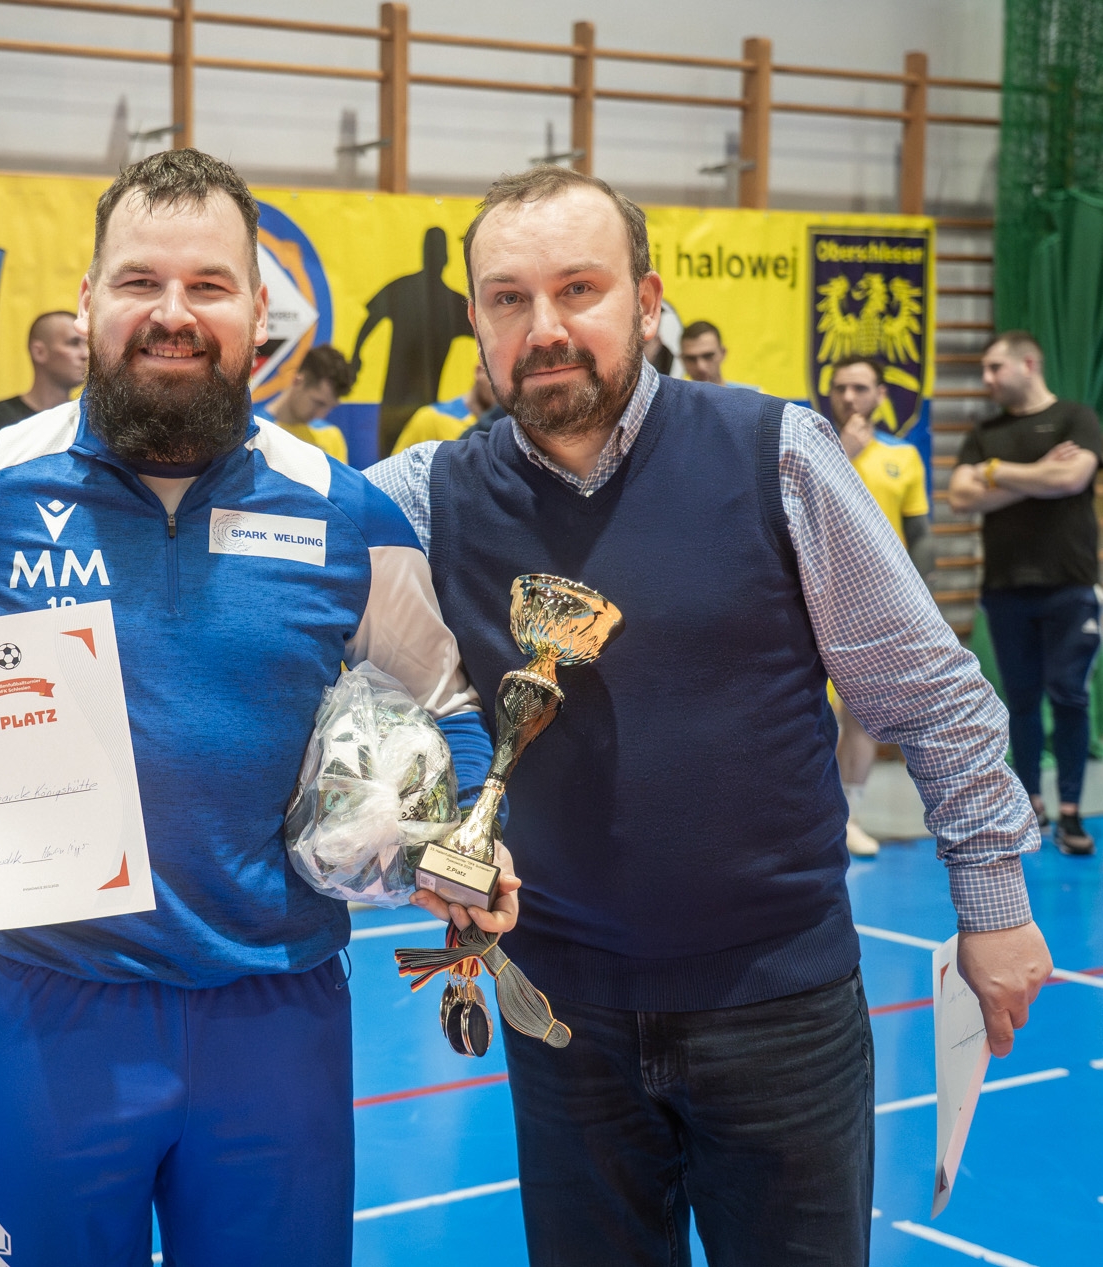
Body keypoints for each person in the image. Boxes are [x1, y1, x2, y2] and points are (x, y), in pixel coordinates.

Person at [0, 148, 509, 1267]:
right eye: (139, 281)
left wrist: (465, 841)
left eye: (209, 285)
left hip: (276, 1020)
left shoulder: (348, 514)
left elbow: (449, 710)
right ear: (88, 298)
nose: (173, 315)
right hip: (39, 1011)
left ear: (259, 312)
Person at [366, 165, 1052, 1265]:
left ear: (646, 303)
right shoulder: (422, 496)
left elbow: (932, 693)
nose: (544, 328)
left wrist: (994, 901)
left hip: (780, 1011)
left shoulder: (774, 452)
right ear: (477, 324)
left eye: (578, 289)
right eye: (508, 299)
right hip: (562, 1022)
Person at [947, 330, 1103, 856]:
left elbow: (1071, 479)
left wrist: (995, 474)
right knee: (1021, 700)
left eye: (995, 368)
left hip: (1069, 586)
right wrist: (1039, 472)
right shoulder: (986, 431)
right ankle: (1031, 802)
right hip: (1006, 589)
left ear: (1029, 363)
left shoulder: (1076, 418)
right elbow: (961, 496)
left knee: (1070, 695)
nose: (986, 378)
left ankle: (1071, 811)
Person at [830, 354, 932, 857]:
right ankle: (812, 816)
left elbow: (920, 534)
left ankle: (850, 814)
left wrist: (921, 602)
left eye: (860, 387)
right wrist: (842, 452)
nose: (850, 397)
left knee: (861, 715)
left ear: (880, 394)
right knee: (812, 714)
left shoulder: (904, 455)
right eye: (841, 388)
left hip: (875, 607)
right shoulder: (815, 447)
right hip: (816, 599)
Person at [349, 225, 475, 456]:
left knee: (405, 460)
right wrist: (356, 355)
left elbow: (369, 321)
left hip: (413, 406)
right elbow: (369, 320)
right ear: (446, 258)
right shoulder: (452, 302)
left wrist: (357, 355)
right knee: (407, 460)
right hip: (402, 405)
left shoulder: (407, 290)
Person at [0, 310, 87, 440]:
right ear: (39, 352)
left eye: (87, 344)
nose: (85, 354)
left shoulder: (87, 421)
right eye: (73, 343)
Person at [265, 344, 354, 462]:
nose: (321, 415)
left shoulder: (331, 435)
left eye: (329, 407)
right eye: (318, 403)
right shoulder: (256, 429)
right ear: (298, 381)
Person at [391, 358, 495, 455]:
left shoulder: (502, 427)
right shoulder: (431, 419)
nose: (501, 389)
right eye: (496, 378)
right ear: (479, 371)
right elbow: (398, 466)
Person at [677, 319, 758, 391]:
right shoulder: (673, 401)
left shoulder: (754, 398)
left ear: (723, 353)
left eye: (708, 356)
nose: (701, 366)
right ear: (682, 359)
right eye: (691, 359)